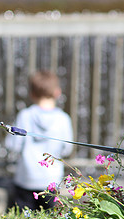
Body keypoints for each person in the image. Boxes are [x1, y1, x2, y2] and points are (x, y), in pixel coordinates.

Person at [5, 70, 73, 211]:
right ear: (57, 92)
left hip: (25, 179)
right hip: (51, 181)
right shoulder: (63, 119)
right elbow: (67, 148)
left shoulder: (25, 115)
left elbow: (13, 145)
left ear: (32, 94)